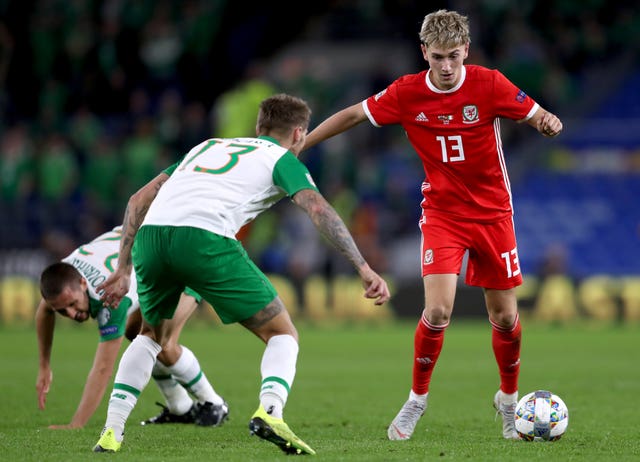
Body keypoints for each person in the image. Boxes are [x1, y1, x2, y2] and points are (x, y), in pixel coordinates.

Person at [302, 9, 563, 441]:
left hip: (493, 213)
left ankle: (509, 399)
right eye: (438, 57)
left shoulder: (490, 83)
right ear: (424, 52)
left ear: (467, 53)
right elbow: (352, 115)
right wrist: (302, 145)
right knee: (438, 310)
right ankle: (417, 400)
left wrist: (546, 121)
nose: (446, 67)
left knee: (505, 316)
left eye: (454, 57)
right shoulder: (406, 93)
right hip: (442, 213)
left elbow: (535, 113)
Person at [92, 93, 390, 455]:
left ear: (257, 127)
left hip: (151, 237)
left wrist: (122, 269)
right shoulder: (281, 158)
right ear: (299, 134)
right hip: (204, 239)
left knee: (150, 335)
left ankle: (111, 432)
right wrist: (362, 265)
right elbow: (317, 208)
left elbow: (138, 199)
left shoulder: (208, 146)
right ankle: (271, 412)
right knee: (283, 333)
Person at [35, 226, 229, 430]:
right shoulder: (62, 279)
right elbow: (44, 311)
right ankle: (180, 407)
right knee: (136, 334)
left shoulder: (108, 295)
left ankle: (214, 404)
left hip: (181, 260)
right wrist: (44, 365)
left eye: (73, 304)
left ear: (83, 284)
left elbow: (103, 369)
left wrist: (77, 424)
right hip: (155, 251)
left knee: (162, 343)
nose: (72, 314)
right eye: (63, 311)